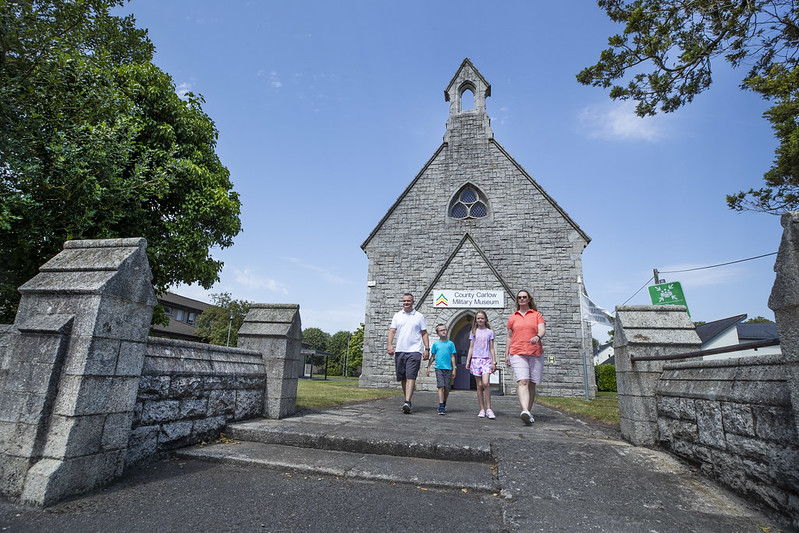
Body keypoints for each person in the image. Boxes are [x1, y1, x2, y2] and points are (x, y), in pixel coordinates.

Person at [504, 289, 546, 425]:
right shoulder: (513, 317)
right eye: (519, 297)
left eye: (524, 297)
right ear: (517, 300)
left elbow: (542, 330)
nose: (521, 299)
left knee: (532, 384)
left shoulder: (536, 315)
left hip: (535, 352)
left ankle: (528, 411)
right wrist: (506, 354)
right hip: (517, 352)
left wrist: (537, 336)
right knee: (523, 381)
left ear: (529, 299)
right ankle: (525, 411)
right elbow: (509, 337)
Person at [387, 293, 430, 414]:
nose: (406, 303)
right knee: (403, 377)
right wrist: (390, 345)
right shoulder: (397, 316)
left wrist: (427, 349)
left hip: (414, 351)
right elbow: (392, 331)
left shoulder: (419, 316)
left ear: (413, 302)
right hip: (400, 350)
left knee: (411, 376)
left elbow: (424, 333)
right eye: (404, 301)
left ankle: (407, 401)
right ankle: (407, 401)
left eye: (408, 301)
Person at [466, 310, 497, 419]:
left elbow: (492, 348)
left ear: (485, 319)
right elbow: (471, 347)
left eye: (482, 318)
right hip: (475, 360)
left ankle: (489, 408)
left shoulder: (489, 332)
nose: (480, 320)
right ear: (476, 320)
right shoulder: (473, 332)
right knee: (479, 386)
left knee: (486, 383)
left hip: (486, 360)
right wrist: (468, 361)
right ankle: (482, 409)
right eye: (478, 318)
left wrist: (494, 361)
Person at [426, 324, 457, 415]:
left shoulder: (450, 344)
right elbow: (433, 356)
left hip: (448, 368)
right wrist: (428, 367)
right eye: (441, 330)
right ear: (437, 333)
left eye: (445, 329)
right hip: (439, 368)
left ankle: (444, 401)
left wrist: (454, 368)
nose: (443, 331)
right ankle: (441, 406)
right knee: (440, 386)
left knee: (447, 388)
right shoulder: (436, 344)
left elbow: (452, 356)